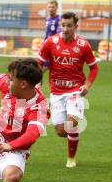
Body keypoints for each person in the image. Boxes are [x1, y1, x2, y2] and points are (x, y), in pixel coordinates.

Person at [37, 12, 99, 168]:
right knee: (60, 131)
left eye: (69, 26)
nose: (65, 29)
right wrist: (37, 84)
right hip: (56, 92)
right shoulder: (50, 42)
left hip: (75, 91)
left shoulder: (83, 45)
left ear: (75, 27)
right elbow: (39, 65)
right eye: (63, 25)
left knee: (70, 125)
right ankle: (73, 133)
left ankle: (71, 159)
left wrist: (87, 86)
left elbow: (94, 68)